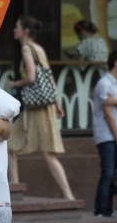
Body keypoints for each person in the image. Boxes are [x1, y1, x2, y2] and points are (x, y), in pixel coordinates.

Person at [7, 15, 75, 200]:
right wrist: (58, 104)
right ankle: (15, 188)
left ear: (25, 31)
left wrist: (14, 84)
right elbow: (50, 78)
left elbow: (31, 78)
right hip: (41, 107)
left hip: (36, 109)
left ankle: (68, 196)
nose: (14, 30)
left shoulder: (27, 49)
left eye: (17, 27)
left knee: (45, 153)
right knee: (11, 144)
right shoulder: (38, 49)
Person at [92, 48, 117, 217]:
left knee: (113, 173)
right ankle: (100, 210)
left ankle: (108, 210)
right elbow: (108, 116)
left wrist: (115, 101)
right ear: (116, 63)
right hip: (107, 136)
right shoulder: (104, 84)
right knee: (108, 172)